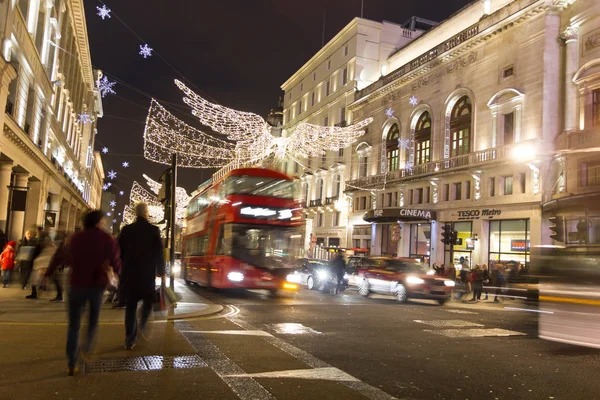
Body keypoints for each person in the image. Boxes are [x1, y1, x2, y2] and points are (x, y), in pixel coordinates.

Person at [45, 210, 121, 376]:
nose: (104, 224)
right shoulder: (107, 238)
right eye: (103, 221)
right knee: (93, 320)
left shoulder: (75, 237)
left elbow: (59, 256)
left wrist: (48, 273)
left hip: (76, 284)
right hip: (96, 285)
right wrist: (117, 273)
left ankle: (71, 363)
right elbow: (115, 260)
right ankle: (86, 348)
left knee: (74, 324)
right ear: (98, 222)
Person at [118, 203, 165, 350]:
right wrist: (161, 271)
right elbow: (159, 252)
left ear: (135, 213)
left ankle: (129, 338)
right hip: (147, 274)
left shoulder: (126, 230)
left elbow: (119, 251)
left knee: (130, 306)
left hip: (130, 274)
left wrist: (119, 268)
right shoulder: (154, 230)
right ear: (146, 213)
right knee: (148, 302)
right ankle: (143, 325)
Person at [27, 232, 55, 299]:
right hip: (41, 263)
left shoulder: (41, 244)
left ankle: (35, 293)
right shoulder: (47, 246)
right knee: (37, 278)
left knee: (35, 279)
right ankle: (37, 291)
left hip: (40, 263)